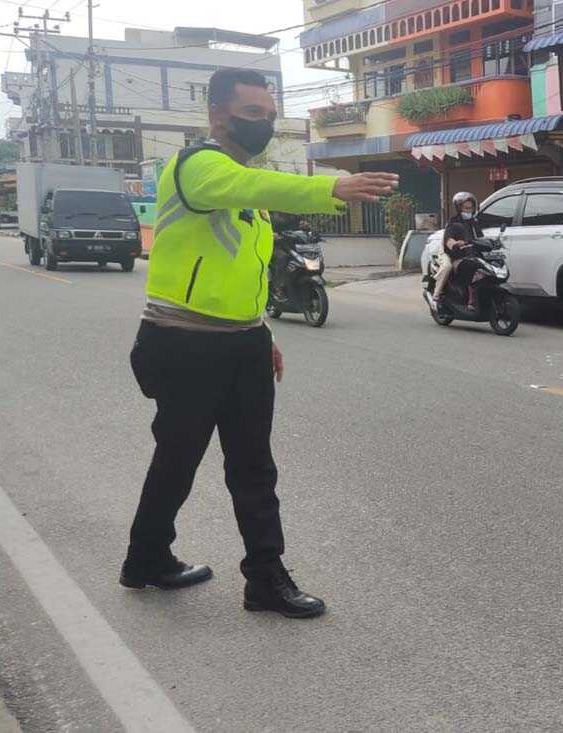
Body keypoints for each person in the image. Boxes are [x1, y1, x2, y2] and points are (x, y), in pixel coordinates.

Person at [123, 68, 399, 618]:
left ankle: (265, 580)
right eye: (254, 116)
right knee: (178, 459)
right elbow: (247, 185)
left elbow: (244, 269)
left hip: (241, 342)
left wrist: (262, 333)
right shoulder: (196, 167)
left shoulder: (248, 187)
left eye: (271, 117)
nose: (265, 126)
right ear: (217, 115)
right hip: (182, 341)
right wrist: (328, 185)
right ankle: (146, 558)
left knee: (253, 466)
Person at [431, 191, 483, 310]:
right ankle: (436, 295)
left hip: (468, 253)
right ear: (459, 208)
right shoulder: (454, 222)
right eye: (465, 208)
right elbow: (448, 239)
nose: (468, 211)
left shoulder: (474, 223)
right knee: (448, 267)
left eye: (470, 208)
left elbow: (480, 238)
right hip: (452, 253)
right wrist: (455, 244)